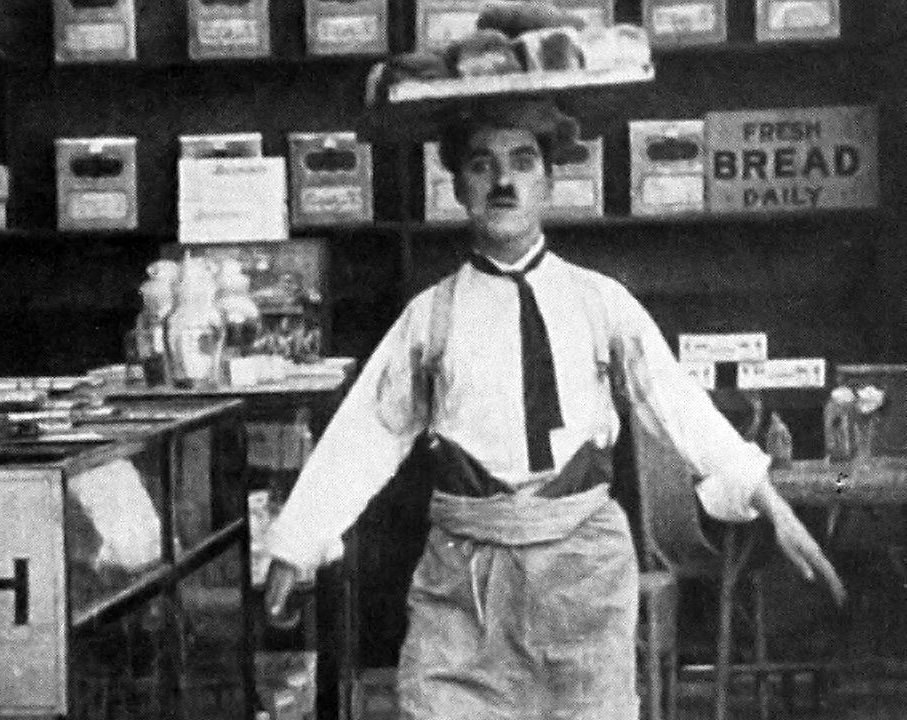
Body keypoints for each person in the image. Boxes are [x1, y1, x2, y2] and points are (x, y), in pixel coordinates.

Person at [262, 99, 847, 719]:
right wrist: (296, 543)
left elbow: (679, 404)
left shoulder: (600, 302)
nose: (503, 181)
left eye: (522, 162)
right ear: (458, 186)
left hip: (583, 574)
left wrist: (769, 501)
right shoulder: (429, 318)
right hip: (464, 581)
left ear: (548, 181)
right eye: (482, 165)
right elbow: (366, 432)